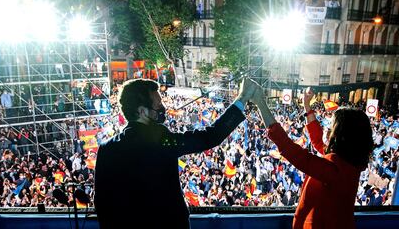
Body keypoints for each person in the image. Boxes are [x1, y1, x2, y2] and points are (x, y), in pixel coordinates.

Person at [94, 78, 256, 228]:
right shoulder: (161, 142)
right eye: (158, 104)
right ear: (142, 111)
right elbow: (209, 137)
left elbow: (101, 204)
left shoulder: (107, 149)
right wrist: (242, 98)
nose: (163, 108)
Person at [252, 85, 373, 229]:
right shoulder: (347, 163)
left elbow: (289, 149)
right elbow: (317, 141)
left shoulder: (335, 170)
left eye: (331, 126)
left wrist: (260, 103)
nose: (326, 129)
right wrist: (307, 106)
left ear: (340, 135)